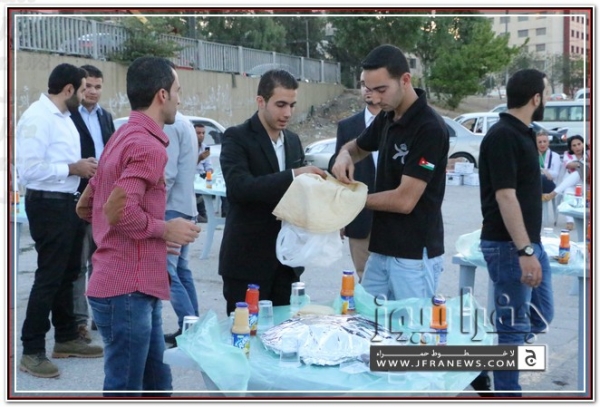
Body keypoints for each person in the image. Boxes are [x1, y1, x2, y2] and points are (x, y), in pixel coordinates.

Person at [75, 56, 201, 396]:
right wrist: (163, 230)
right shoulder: (147, 145)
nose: (179, 100)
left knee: (158, 385)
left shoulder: (123, 135)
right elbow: (118, 210)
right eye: (177, 91)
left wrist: (139, 238)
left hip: (133, 287)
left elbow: (88, 205)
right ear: (162, 95)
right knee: (127, 390)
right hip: (126, 291)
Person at [331, 44, 448, 301]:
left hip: (413, 256)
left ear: (405, 80)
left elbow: (405, 200)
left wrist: (351, 199)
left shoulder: (429, 128)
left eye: (381, 90)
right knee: (366, 318)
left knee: (412, 325)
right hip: (381, 250)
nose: (374, 98)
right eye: (369, 89)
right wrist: (344, 155)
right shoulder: (387, 117)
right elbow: (357, 146)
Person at [16, 63, 103, 379]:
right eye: (82, 89)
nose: (86, 94)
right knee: (50, 276)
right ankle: (32, 350)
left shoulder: (65, 117)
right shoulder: (38, 118)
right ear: (68, 89)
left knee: (69, 273)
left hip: (68, 203)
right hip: (47, 205)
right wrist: (71, 168)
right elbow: (29, 170)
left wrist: (79, 167)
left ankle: (66, 337)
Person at [218, 69, 326, 315]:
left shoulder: (293, 140)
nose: (287, 113)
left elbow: (301, 194)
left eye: (292, 105)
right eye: (280, 105)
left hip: (287, 265)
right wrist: (293, 175)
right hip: (247, 263)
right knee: (246, 333)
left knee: (284, 333)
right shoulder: (237, 137)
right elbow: (239, 188)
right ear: (261, 101)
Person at [478, 68, 554, 396]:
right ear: (536, 98)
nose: (547, 99)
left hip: (528, 244)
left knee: (542, 315)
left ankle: (482, 363)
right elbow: (505, 196)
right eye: (546, 94)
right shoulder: (503, 136)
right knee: (512, 329)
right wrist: (524, 251)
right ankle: (508, 394)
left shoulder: (525, 132)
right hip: (509, 246)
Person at [69, 64, 116, 342]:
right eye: (88, 86)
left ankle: (101, 315)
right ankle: (79, 322)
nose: (93, 92)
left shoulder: (106, 117)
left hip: (103, 199)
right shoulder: (69, 115)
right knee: (78, 265)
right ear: (79, 87)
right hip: (77, 197)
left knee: (102, 261)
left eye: (98, 87)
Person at [331, 71, 380, 282]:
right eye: (362, 84)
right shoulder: (348, 127)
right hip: (360, 220)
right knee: (365, 280)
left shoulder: (400, 124)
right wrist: (340, 217)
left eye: (372, 84)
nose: (366, 88)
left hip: (396, 221)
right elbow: (339, 176)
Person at [163, 111, 200, 346]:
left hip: (172, 207)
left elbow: (167, 174)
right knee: (181, 271)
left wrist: (154, 210)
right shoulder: (184, 122)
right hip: (185, 205)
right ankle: (191, 326)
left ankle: (189, 328)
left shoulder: (171, 124)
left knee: (167, 273)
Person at [543, 135, 588, 230]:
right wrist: (582, 165)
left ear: (583, 144)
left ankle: (554, 193)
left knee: (577, 173)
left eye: (579, 144)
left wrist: (579, 165)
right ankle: (570, 221)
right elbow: (569, 165)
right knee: (568, 192)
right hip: (571, 185)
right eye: (574, 145)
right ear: (571, 148)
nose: (577, 147)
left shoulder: (588, 153)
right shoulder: (567, 154)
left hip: (586, 185)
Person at [194, 123, 212, 223]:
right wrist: (199, 158)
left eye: (203, 133)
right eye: (198, 133)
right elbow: (187, 166)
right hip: (191, 179)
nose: (201, 135)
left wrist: (209, 170)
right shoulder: (188, 147)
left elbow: (208, 165)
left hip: (202, 178)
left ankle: (224, 212)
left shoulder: (205, 148)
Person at [537, 130, 560, 194]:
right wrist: (543, 171)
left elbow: (555, 174)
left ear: (548, 143)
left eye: (544, 141)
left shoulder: (555, 156)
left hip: (550, 183)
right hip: (535, 182)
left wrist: (541, 172)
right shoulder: (531, 155)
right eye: (539, 142)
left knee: (542, 178)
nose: (542, 144)